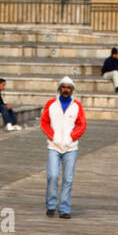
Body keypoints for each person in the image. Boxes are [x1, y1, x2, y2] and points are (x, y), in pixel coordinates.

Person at [40, 76, 87, 218]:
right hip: (54, 145)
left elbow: (82, 124)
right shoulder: (51, 104)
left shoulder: (77, 106)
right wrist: (52, 135)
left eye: (68, 88)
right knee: (52, 176)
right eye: (63, 87)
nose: (65, 90)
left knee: (68, 179)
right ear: (59, 88)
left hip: (70, 148)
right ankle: (51, 205)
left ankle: (64, 209)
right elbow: (44, 122)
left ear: (72, 90)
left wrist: (71, 137)